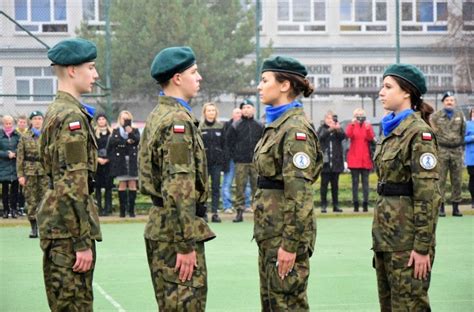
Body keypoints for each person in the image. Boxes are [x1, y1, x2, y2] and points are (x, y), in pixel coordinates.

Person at [139, 46, 216, 311]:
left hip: (164, 225)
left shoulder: (159, 114)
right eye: (194, 72)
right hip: (176, 231)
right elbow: (179, 187)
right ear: (177, 78)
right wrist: (185, 244)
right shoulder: (176, 122)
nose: (200, 77)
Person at [37, 38, 102, 311]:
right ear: (72, 70)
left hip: (60, 227)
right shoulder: (70, 119)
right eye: (91, 67)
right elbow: (72, 184)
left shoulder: (58, 111)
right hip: (67, 233)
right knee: (75, 304)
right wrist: (81, 241)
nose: (96, 74)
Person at [253, 55, 322, 311]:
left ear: (284, 86)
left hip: (284, 236)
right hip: (271, 233)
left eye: (264, 80)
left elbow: (300, 195)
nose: (259, 86)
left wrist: (289, 245)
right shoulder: (277, 125)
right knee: (273, 304)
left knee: (287, 305)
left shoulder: (294, 131)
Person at [374, 63, 441, 311]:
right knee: (390, 306)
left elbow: (428, 195)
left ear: (407, 93)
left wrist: (422, 247)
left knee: (410, 306)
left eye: (388, 87)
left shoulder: (418, 134)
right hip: (386, 238)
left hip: (407, 241)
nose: (381, 92)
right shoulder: (390, 130)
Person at [227, 99, 264, 222]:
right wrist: (235, 155)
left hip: (255, 162)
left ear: (253, 109)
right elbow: (229, 142)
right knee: (240, 188)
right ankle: (239, 212)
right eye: (244, 107)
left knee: (257, 188)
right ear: (241, 110)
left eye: (249, 107)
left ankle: (258, 213)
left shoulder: (259, 125)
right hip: (240, 162)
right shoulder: (235, 125)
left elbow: (263, 143)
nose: (247, 109)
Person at [431, 91, 466, 217]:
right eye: (447, 100)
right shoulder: (436, 117)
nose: (449, 102)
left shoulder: (460, 115)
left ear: (454, 102)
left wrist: (459, 144)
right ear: (443, 102)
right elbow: (433, 134)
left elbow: (463, 132)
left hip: (456, 151)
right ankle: (441, 208)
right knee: (440, 179)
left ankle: (456, 208)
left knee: (457, 180)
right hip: (442, 151)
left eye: (451, 100)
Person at [16, 111, 48, 237]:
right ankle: (34, 228)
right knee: (31, 200)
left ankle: (44, 227)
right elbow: (20, 157)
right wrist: (20, 175)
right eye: (35, 118)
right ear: (31, 121)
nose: (37, 121)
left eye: (40, 118)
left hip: (44, 171)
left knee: (45, 199)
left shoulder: (47, 135)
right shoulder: (25, 136)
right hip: (29, 171)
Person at [107, 110, 140, 217]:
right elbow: (112, 143)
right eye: (123, 118)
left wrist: (130, 132)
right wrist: (126, 142)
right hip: (120, 160)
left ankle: (131, 210)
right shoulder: (115, 131)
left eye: (127, 118)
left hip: (131, 160)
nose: (124, 121)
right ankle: (122, 211)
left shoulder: (134, 130)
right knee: (122, 184)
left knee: (132, 184)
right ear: (119, 119)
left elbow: (137, 140)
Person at [199, 102, 225, 223]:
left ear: (216, 113)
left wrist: (224, 162)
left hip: (217, 163)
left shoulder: (221, 126)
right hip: (203, 164)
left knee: (215, 188)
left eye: (213, 110)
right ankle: (203, 213)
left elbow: (225, 145)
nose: (211, 113)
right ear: (204, 113)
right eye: (208, 110)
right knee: (203, 188)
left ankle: (215, 213)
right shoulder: (199, 127)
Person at [345, 108, 375, 212]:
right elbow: (348, 135)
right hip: (354, 158)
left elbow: (371, 138)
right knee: (355, 182)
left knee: (365, 183)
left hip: (365, 158)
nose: (360, 117)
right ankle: (356, 204)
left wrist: (367, 128)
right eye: (358, 115)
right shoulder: (352, 125)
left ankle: (365, 203)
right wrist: (353, 124)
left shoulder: (368, 126)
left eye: (361, 114)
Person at [317, 111, 346, 213]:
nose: (330, 121)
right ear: (325, 120)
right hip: (325, 164)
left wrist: (337, 129)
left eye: (332, 119)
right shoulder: (322, 128)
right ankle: (323, 205)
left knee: (335, 186)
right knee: (324, 186)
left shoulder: (338, 129)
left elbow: (343, 136)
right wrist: (330, 129)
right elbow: (320, 137)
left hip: (335, 163)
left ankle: (335, 205)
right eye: (328, 119)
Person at [221, 107, 242, 214]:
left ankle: (245, 205)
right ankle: (227, 206)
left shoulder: (244, 125)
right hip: (229, 159)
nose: (238, 114)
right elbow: (225, 143)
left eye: (240, 113)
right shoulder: (226, 126)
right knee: (227, 183)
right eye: (236, 113)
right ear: (232, 115)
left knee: (244, 185)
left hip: (241, 159)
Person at [1, 115, 21, 218]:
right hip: (3, 167)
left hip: (15, 166)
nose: (8, 125)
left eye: (10, 123)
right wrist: (6, 154)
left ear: (12, 124)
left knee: (15, 190)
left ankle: (14, 210)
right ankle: (5, 210)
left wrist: (15, 153)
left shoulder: (17, 135)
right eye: (6, 123)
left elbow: (22, 148)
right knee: (5, 190)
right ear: (3, 124)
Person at [94, 113, 113, 216]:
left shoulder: (111, 133)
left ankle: (108, 209)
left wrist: (108, 159)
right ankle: (99, 209)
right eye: (99, 119)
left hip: (108, 163)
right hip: (97, 163)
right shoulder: (93, 133)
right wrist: (97, 158)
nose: (101, 121)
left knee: (108, 187)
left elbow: (114, 148)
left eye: (103, 119)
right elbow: (91, 148)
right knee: (97, 187)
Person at [16, 115, 28, 216]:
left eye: (24, 122)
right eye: (20, 122)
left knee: (25, 189)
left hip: (29, 166)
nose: (22, 124)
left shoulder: (29, 133)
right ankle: (17, 207)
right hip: (15, 164)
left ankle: (23, 206)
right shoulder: (15, 133)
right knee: (17, 188)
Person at [465, 108, 474, 209]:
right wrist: (472, 137)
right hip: (472, 158)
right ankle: (473, 200)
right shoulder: (467, 125)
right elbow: (462, 138)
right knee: (473, 179)